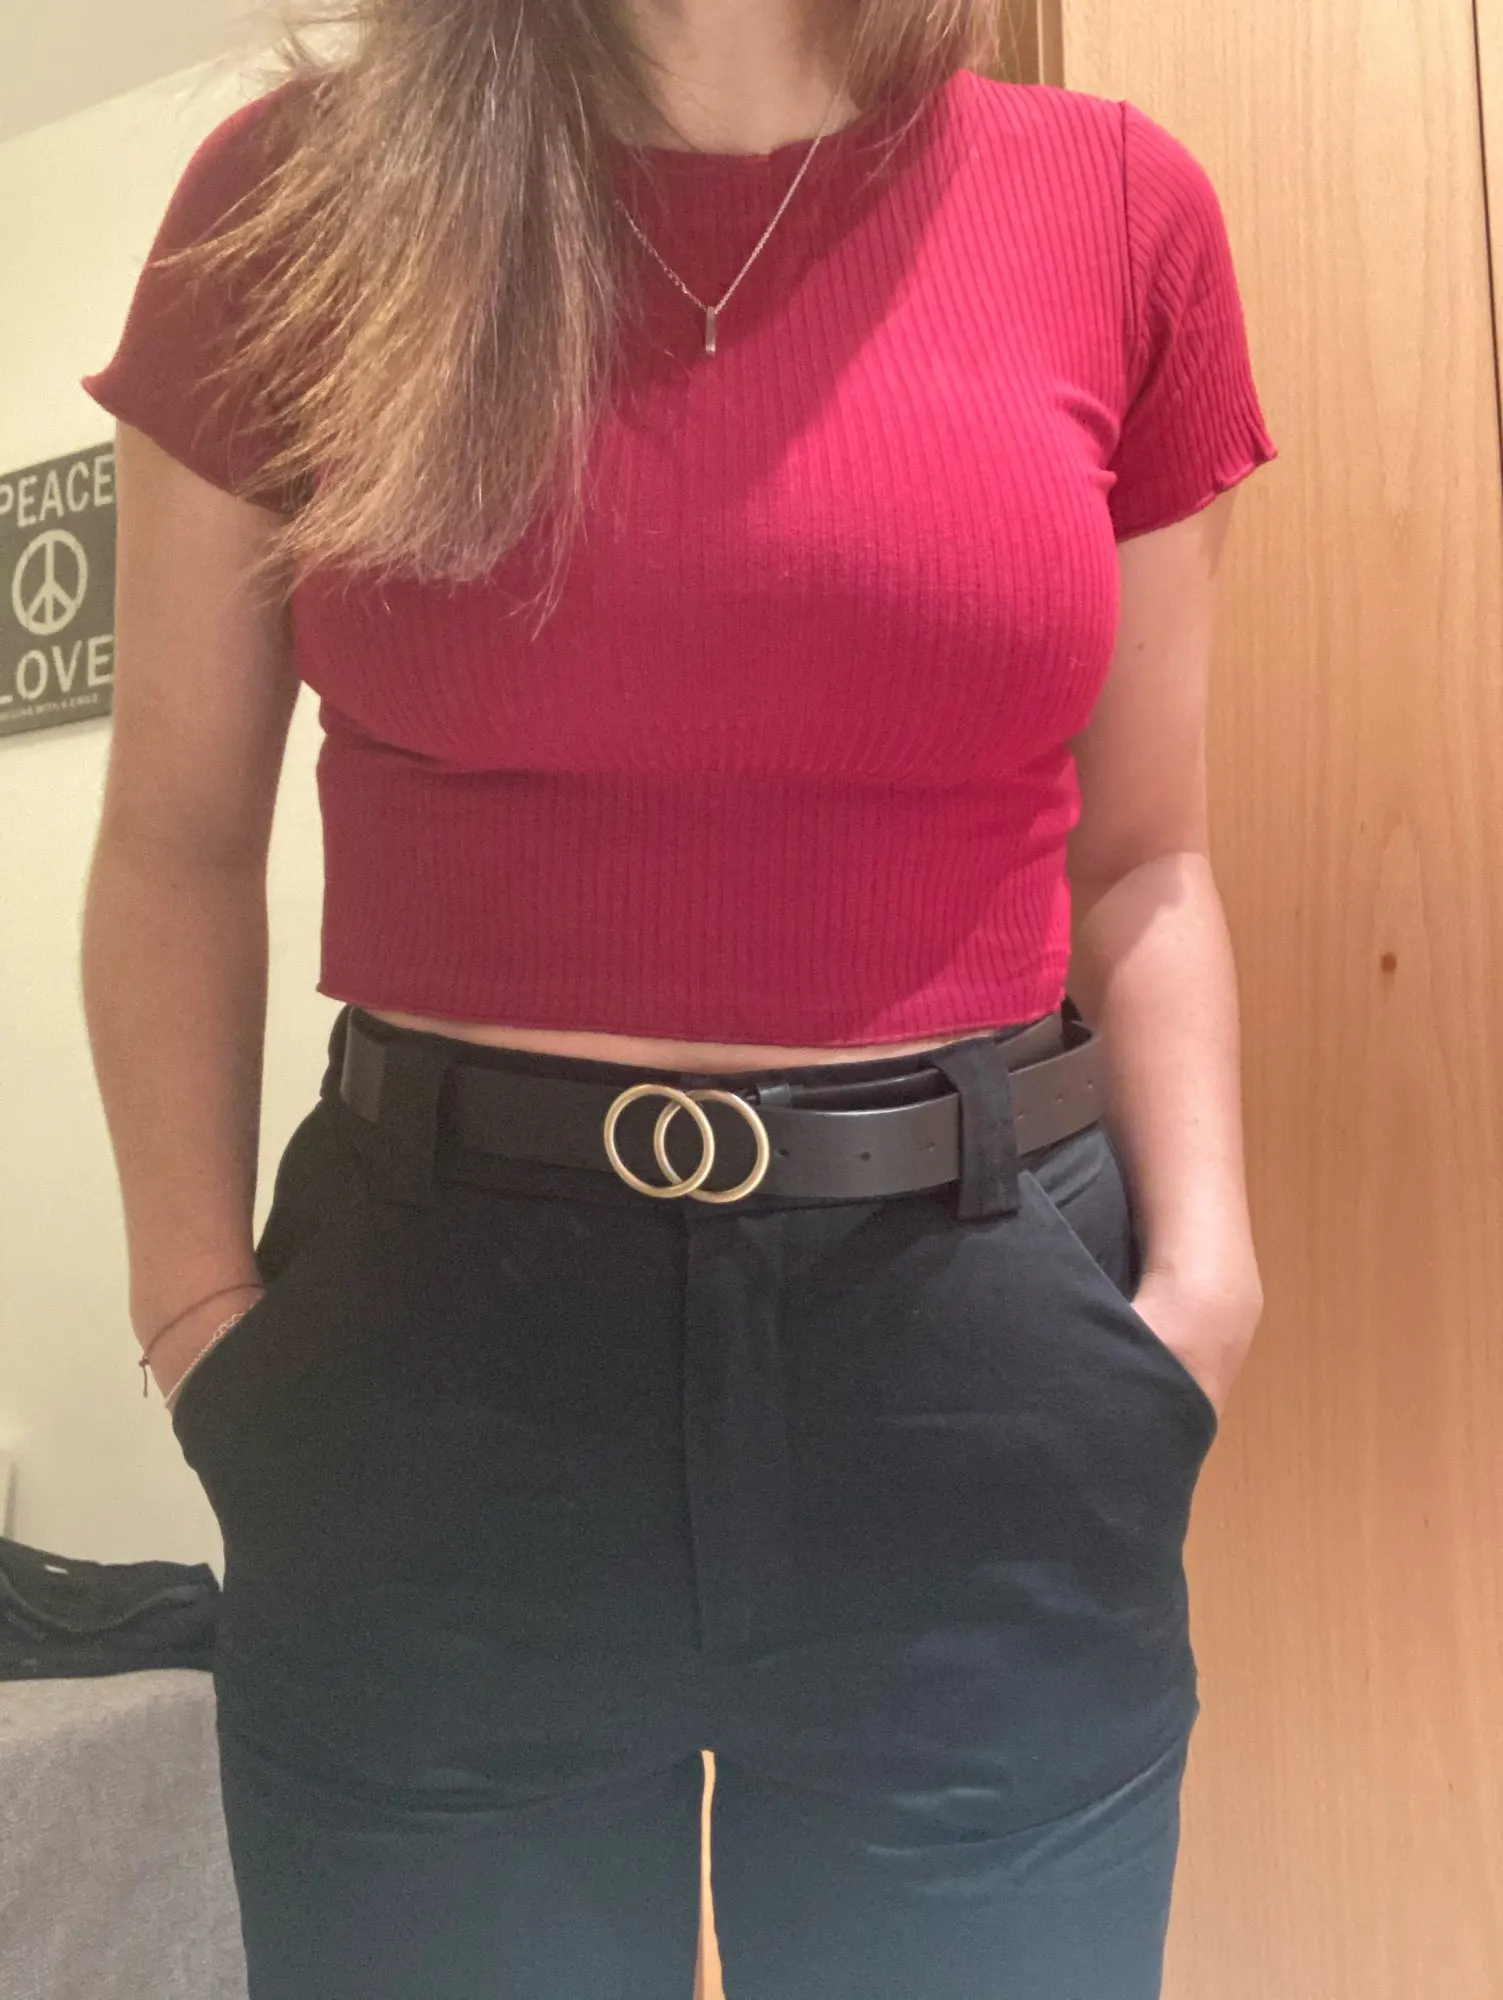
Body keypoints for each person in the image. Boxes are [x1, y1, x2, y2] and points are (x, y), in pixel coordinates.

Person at [79, 1, 1276, 1994]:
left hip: (976, 1369)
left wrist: (1200, 1291)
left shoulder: (1115, 211)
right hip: (433, 1378)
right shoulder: (292, 202)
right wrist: (196, 1318)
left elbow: (1144, 856)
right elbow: (175, 846)